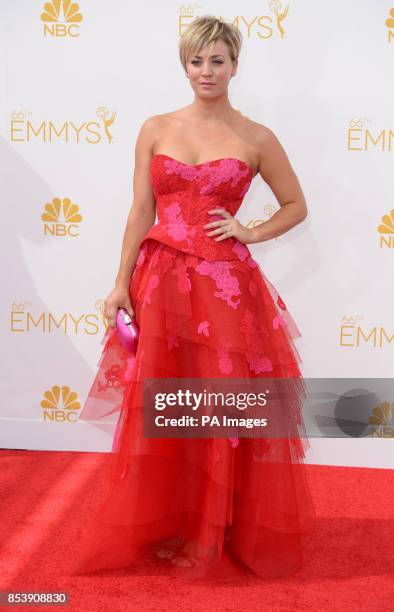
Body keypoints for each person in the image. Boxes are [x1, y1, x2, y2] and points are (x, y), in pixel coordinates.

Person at [72, 15, 316, 582]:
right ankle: (173, 520)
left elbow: (295, 205)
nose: (206, 72)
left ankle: (216, 530)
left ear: (235, 64)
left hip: (226, 291)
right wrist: (119, 282)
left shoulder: (256, 137)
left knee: (222, 409)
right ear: (184, 65)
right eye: (196, 60)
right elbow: (141, 211)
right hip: (161, 284)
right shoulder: (155, 127)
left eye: (218, 60)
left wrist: (249, 232)